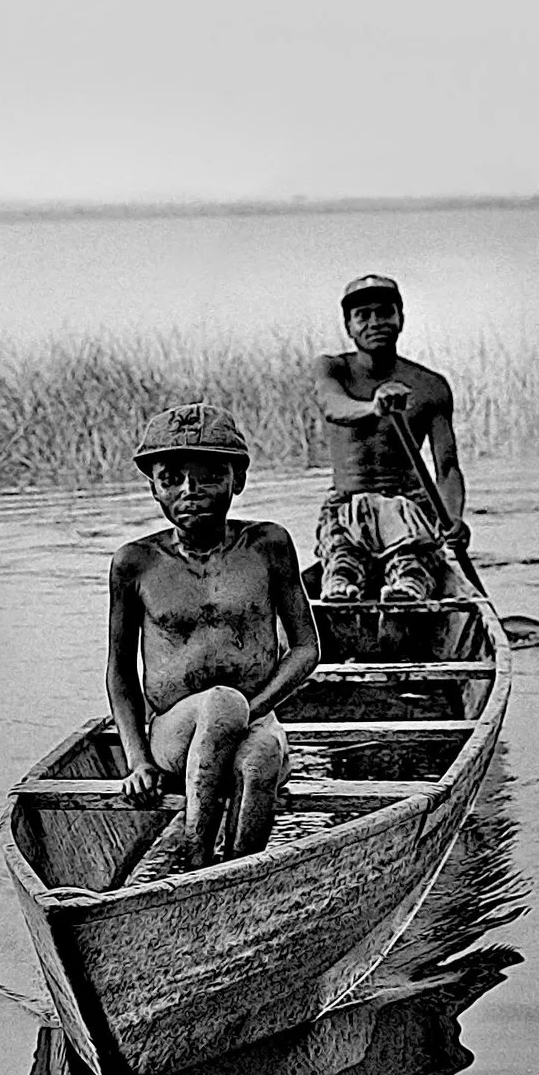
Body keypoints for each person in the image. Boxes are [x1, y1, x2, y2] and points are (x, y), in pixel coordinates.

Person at [108, 404, 320, 866]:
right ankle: (196, 856)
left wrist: (252, 710)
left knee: (261, 755)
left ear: (237, 481)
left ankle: (237, 874)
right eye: (172, 479)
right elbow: (121, 672)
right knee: (221, 702)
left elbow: (306, 648)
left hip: (257, 721)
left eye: (208, 477)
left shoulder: (268, 545)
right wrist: (137, 760)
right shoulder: (134, 563)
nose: (190, 491)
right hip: (174, 737)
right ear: (154, 488)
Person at [308, 272, 470, 603]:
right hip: (347, 504)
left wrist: (453, 518)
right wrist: (375, 407)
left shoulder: (430, 385)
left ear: (400, 319)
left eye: (384, 312)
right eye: (363, 315)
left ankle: (409, 587)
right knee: (341, 568)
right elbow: (332, 405)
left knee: (411, 570)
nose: (375, 322)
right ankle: (343, 585)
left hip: (410, 504)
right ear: (349, 326)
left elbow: (447, 467)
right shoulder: (332, 368)